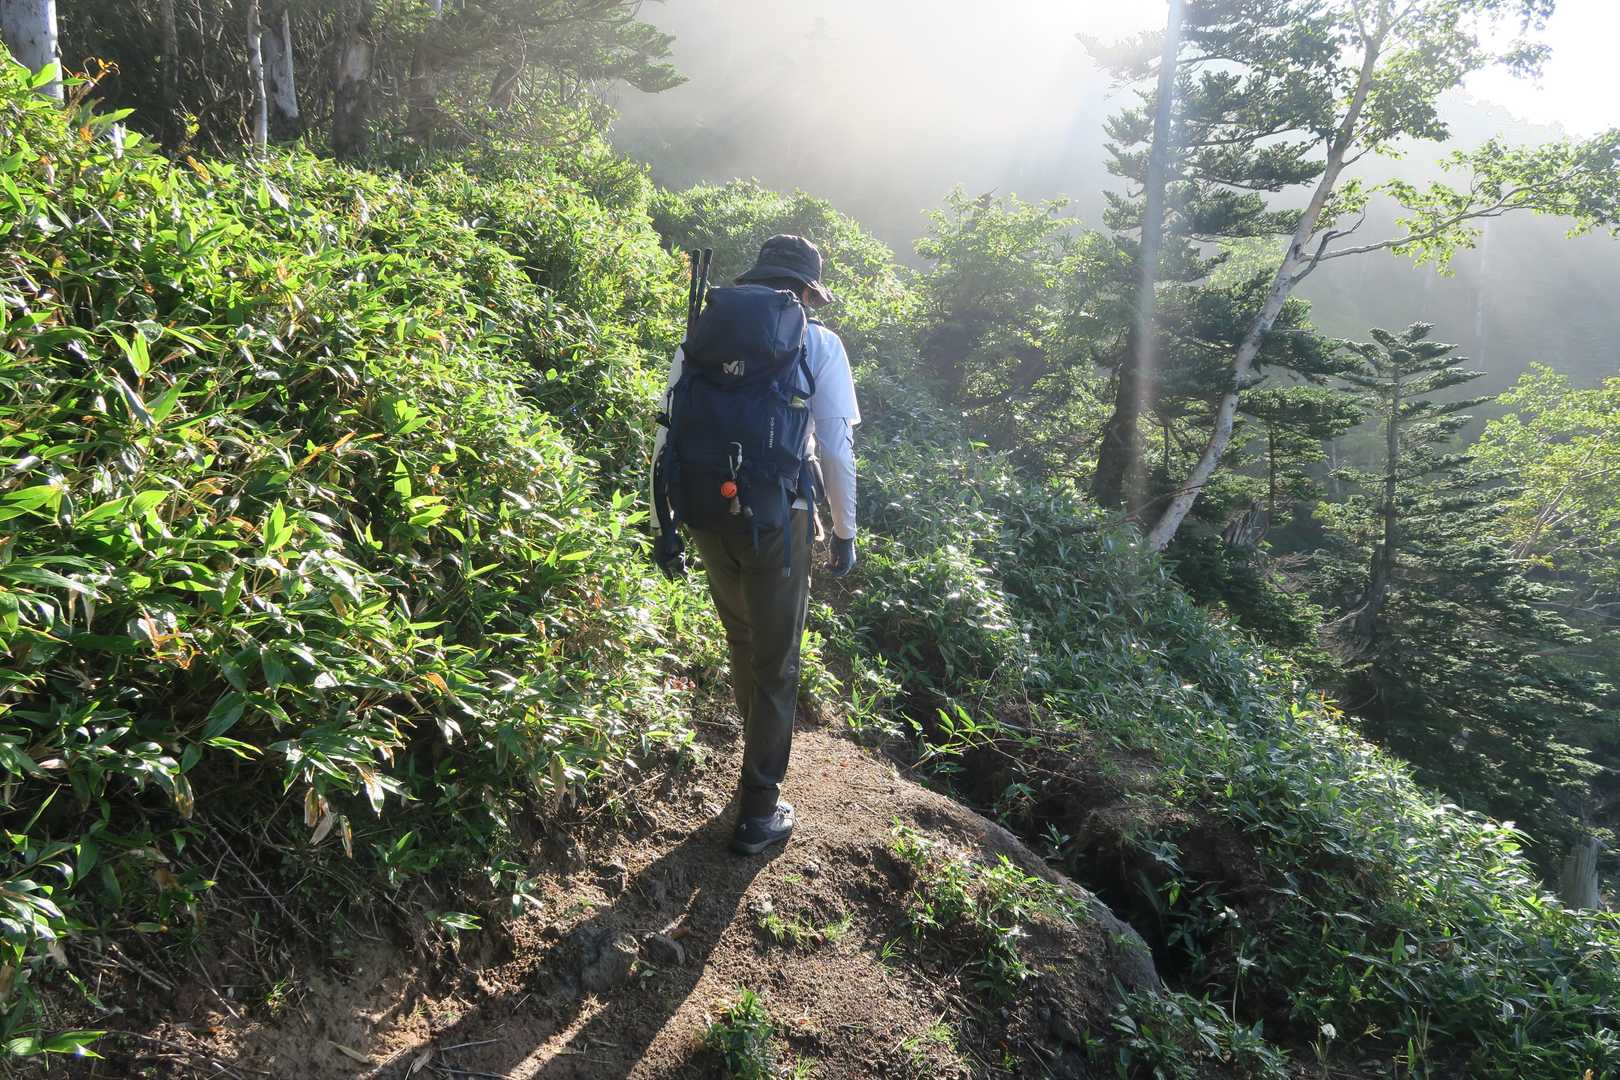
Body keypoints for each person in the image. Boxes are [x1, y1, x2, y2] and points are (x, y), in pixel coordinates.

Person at [651, 234, 860, 855]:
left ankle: (755, 758)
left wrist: (664, 523)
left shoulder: (704, 333)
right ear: (806, 292)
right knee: (778, 662)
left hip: (705, 513)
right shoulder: (819, 343)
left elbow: (666, 433)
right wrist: (844, 531)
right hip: (777, 521)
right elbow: (836, 450)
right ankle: (759, 811)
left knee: (743, 639)